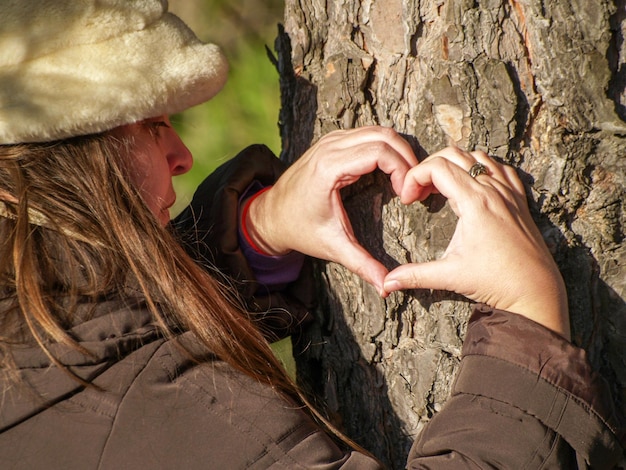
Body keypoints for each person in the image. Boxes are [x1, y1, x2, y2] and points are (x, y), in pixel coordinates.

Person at [0, 1, 622, 469]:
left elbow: (97, 336)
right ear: (71, 154)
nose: (183, 154)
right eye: (151, 125)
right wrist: (526, 322)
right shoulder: (174, 413)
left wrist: (251, 236)